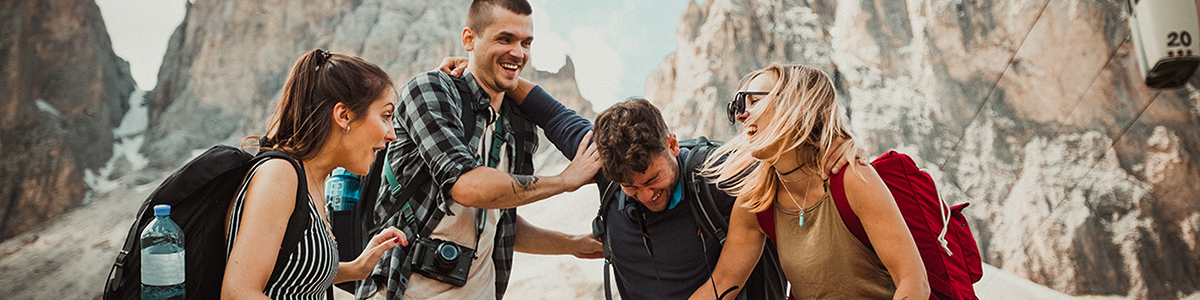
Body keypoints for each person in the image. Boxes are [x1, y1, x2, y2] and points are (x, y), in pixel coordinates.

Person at [434, 58, 862, 298]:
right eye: (630, 187)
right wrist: (484, 71)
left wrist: (837, 145)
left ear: (672, 145)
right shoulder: (608, 167)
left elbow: (794, 156)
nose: (645, 194)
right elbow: (550, 112)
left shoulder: (718, 175)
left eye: (653, 179)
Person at [358, 0, 604, 299]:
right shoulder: (430, 90)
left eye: (526, 42)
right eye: (505, 39)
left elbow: (498, 219)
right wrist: (565, 181)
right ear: (468, 39)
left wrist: (573, 244)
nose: (519, 52)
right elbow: (468, 187)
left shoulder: (517, 124)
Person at [690, 63, 930, 299]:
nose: (742, 115)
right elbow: (721, 285)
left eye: (754, 101)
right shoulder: (756, 202)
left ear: (795, 105)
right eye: (739, 106)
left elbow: (914, 283)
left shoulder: (851, 179)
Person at [222, 49, 408, 299]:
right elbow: (238, 293)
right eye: (385, 116)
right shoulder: (281, 175)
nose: (392, 133)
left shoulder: (313, 180)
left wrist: (358, 268)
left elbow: (292, 270)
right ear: (344, 116)